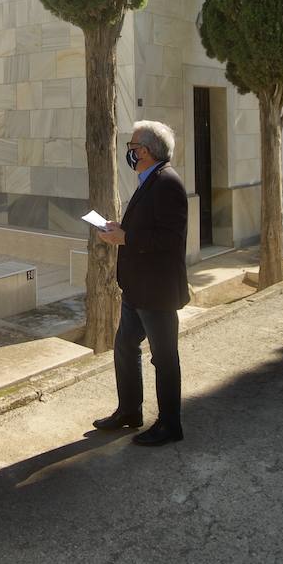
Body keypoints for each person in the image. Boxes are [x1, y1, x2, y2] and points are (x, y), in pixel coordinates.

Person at [92, 120, 189, 447]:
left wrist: (127, 236)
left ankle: (170, 424)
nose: (129, 153)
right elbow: (148, 226)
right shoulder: (149, 179)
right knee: (125, 346)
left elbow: (172, 239)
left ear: (145, 151)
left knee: (163, 358)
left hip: (157, 291)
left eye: (132, 148)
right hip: (136, 288)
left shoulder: (168, 183)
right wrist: (120, 228)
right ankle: (130, 411)